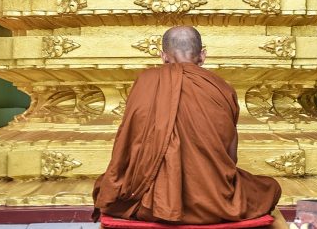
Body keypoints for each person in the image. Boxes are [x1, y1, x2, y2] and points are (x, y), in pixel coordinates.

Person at [92, 26, 288, 228]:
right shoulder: (221, 88)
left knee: (106, 185)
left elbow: (126, 147)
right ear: (202, 55)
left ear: (163, 56)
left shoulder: (146, 81)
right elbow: (230, 156)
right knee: (268, 189)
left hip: (148, 201)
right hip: (215, 198)